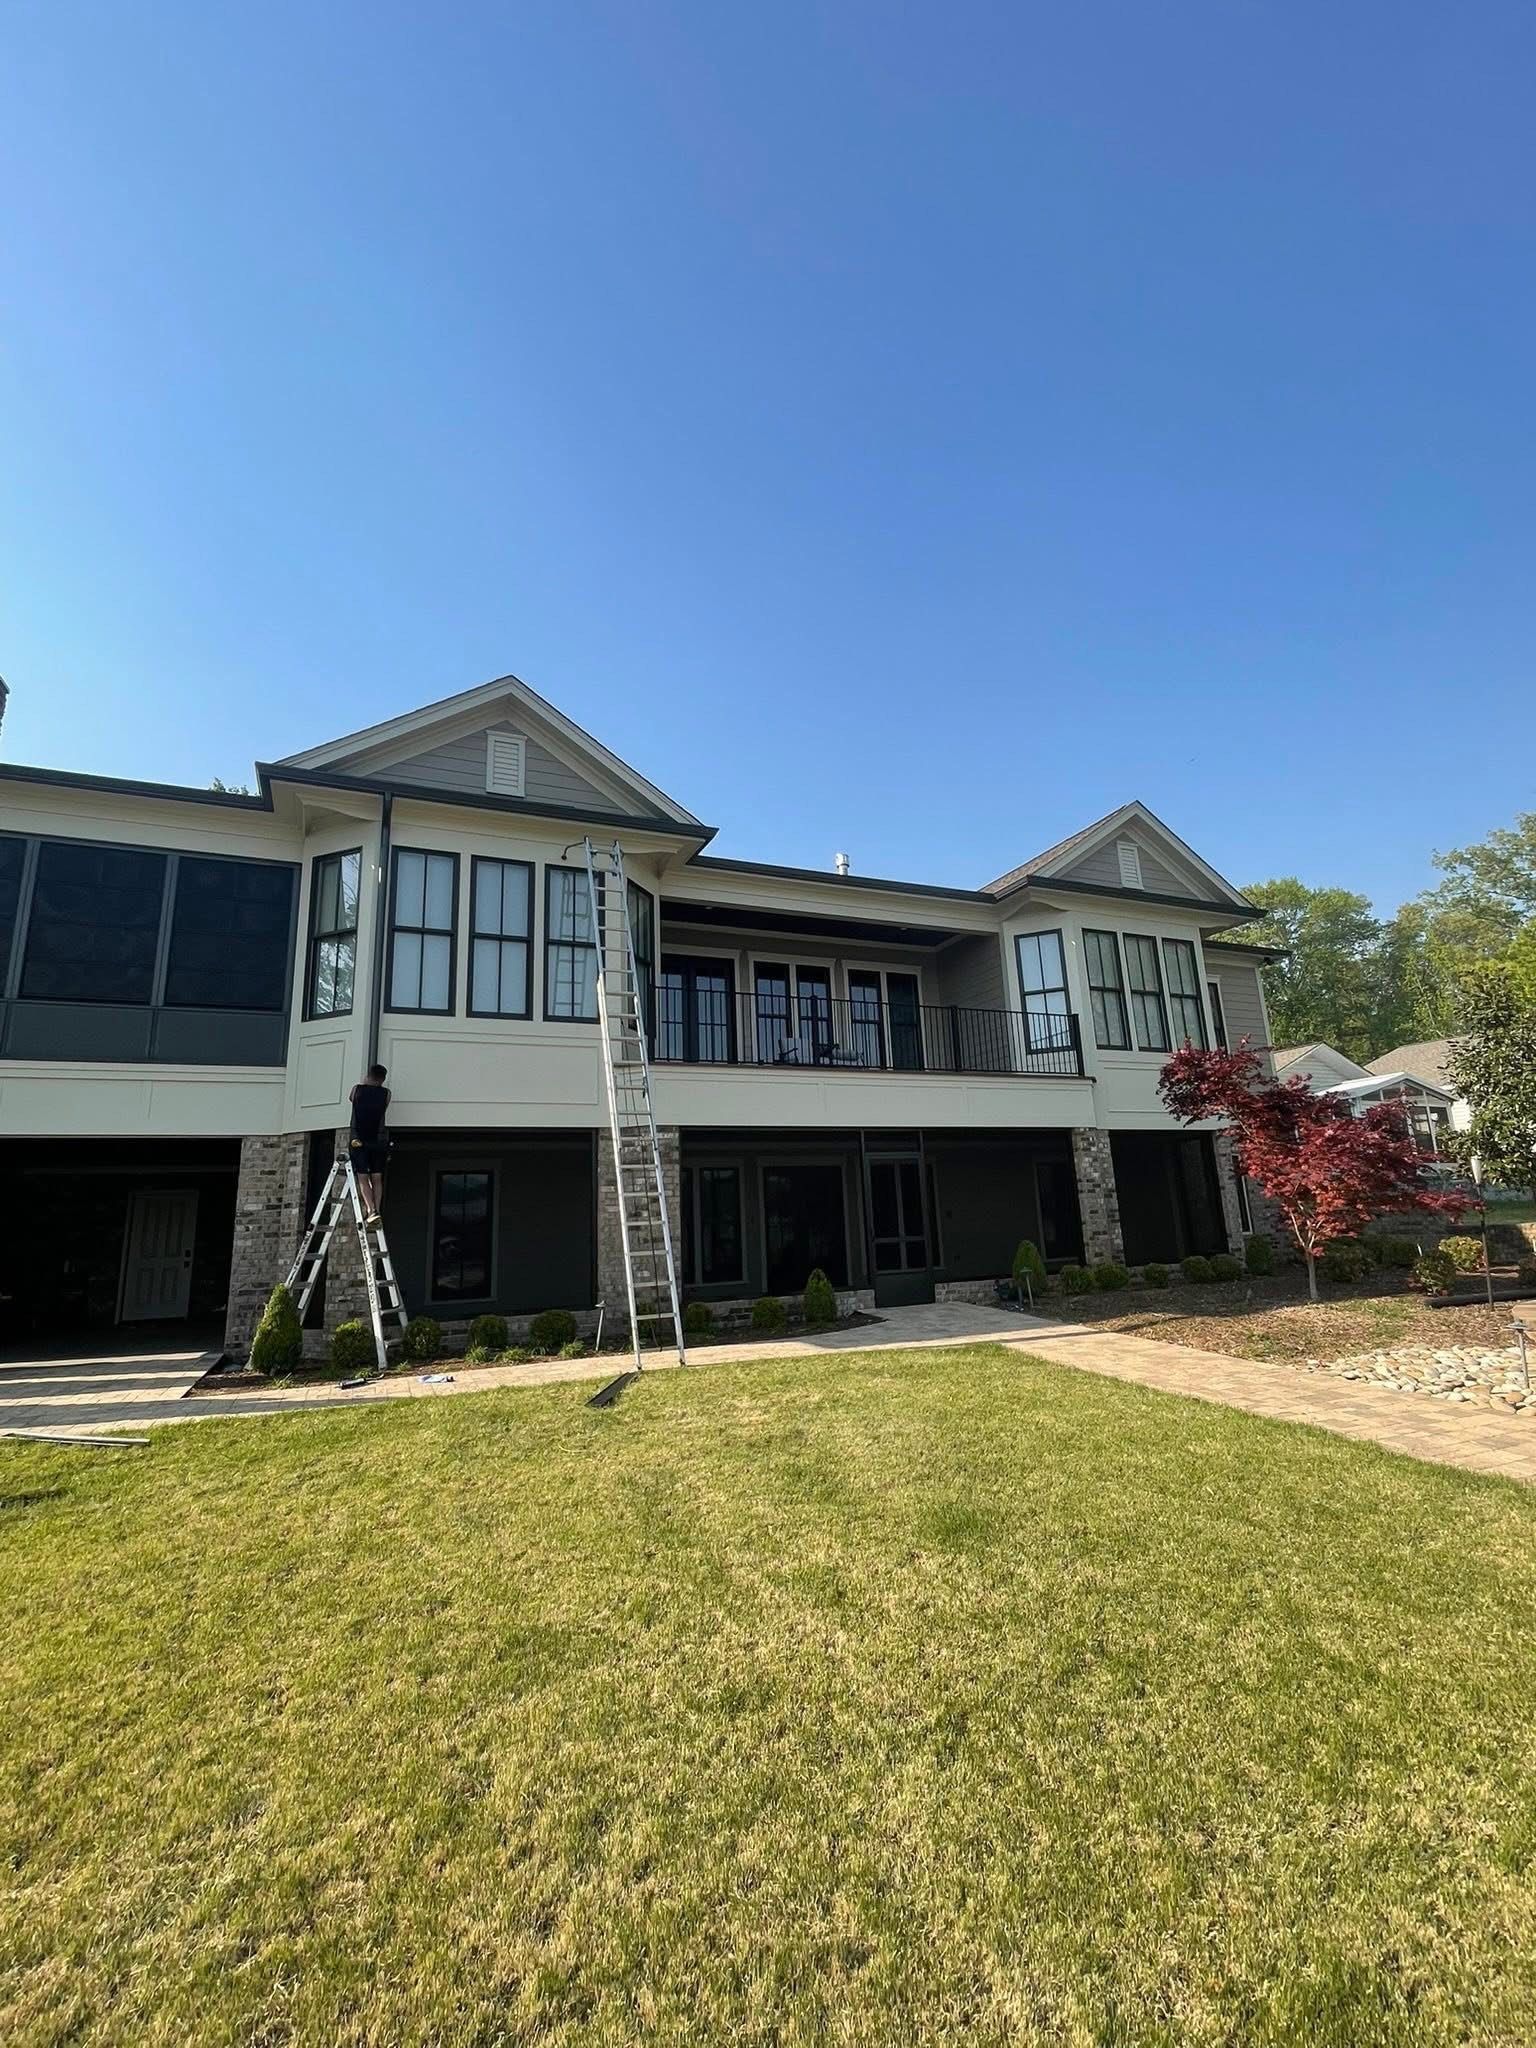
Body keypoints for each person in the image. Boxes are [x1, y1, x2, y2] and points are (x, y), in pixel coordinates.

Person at [347, 1064, 391, 1225]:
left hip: (358, 1140)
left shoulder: (357, 1090)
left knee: (363, 1178)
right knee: (377, 1178)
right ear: (383, 1079)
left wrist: (364, 1083)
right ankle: (376, 1211)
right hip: (378, 1140)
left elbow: (351, 1099)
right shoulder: (386, 1094)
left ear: (368, 1075)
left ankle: (370, 1209)